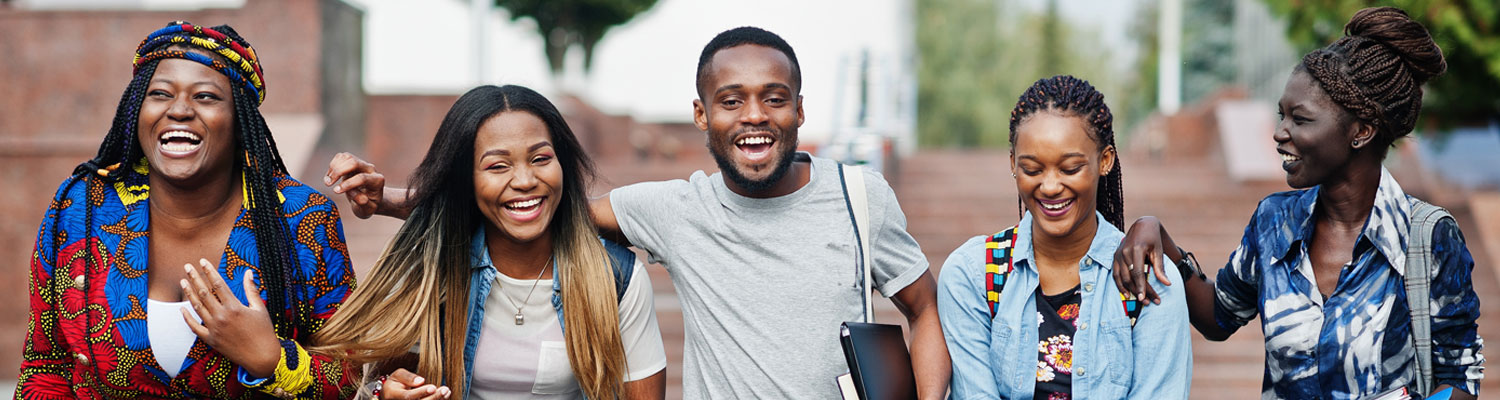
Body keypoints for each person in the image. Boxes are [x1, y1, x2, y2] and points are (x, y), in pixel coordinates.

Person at [329, 27, 950, 398]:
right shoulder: (677, 208)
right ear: (703, 115)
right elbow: (537, 204)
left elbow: (924, 312)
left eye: (775, 99)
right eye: (731, 101)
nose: (755, 116)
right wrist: (390, 200)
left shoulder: (860, 196)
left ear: (801, 111)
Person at [1111, 7, 1483, 400]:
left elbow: (1459, 378)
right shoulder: (1274, 221)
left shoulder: (1426, 234)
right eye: (1281, 115)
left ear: (1361, 131)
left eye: (1300, 120)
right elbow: (1218, 317)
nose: (1279, 133)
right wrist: (1155, 232)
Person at [17, 21, 355, 399]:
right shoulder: (81, 208)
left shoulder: (302, 218)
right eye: (159, 94)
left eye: (206, 97)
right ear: (136, 111)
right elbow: (46, 368)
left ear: (241, 121)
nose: (179, 110)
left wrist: (272, 361)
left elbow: (353, 374)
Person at [314, 85, 666, 400]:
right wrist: (384, 393)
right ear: (467, 180)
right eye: (498, 166)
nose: (525, 180)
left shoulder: (616, 276)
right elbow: (374, 381)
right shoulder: (437, 270)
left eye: (541, 159)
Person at [937, 76, 1192, 399]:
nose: (1050, 186)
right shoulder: (973, 273)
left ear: (1105, 161)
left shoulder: (1149, 279)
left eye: (1070, 169)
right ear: (1013, 163)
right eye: (1032, 169)